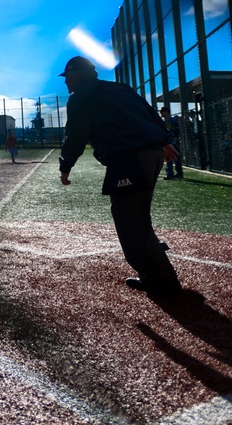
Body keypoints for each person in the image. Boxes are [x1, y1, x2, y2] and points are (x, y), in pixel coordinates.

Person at [57, 56, 182, 296]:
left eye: (68, 77)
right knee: (136, 217)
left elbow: (76, 134)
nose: (66, 82)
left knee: (130, 219)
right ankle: (157, 274)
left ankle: (162, 282)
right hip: (148, 154)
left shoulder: (81, 97)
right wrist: (163, 141)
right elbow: (149, 113)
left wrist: (66, 165)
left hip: (129, 158)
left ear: (78, 75)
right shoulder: (118, 88)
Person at [159, 107, 183, 179]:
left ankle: (172, 174)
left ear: (166, 112)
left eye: (162, 112)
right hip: (168, 141)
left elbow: (176, 130)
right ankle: (174, 173)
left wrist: (176, 138)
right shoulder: (163, 121)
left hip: (173, 141)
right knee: (171, 157)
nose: (161, 113)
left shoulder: (172, 120)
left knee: (174, 157)